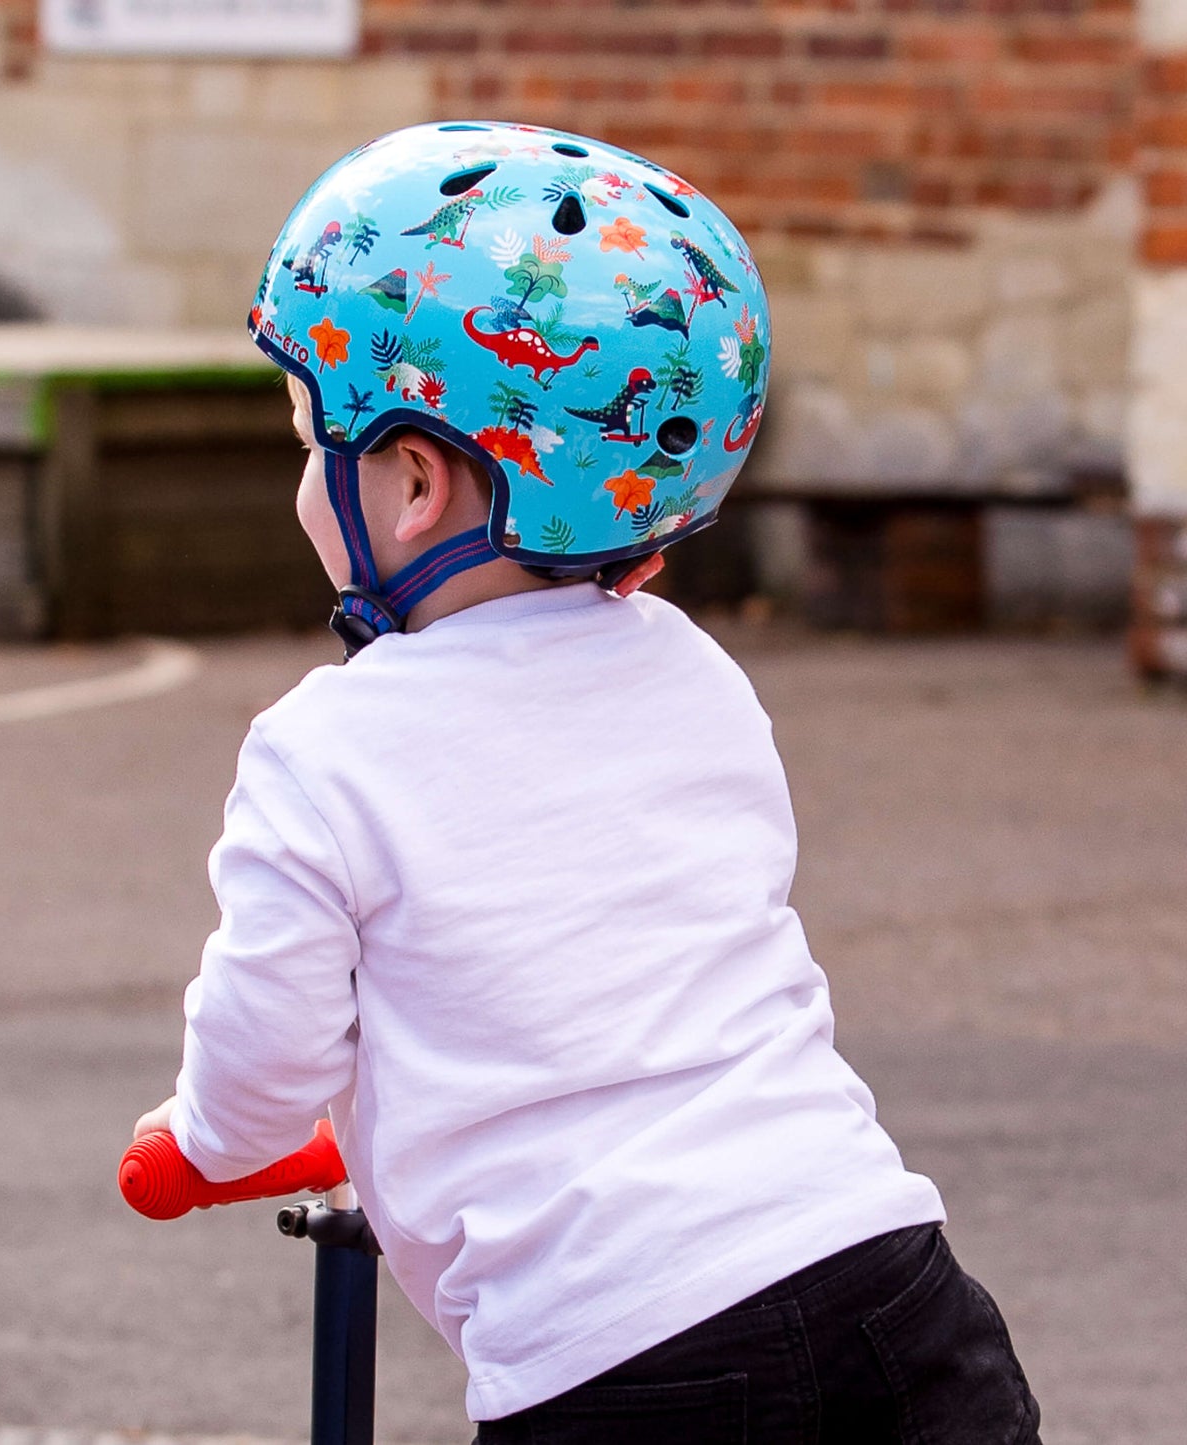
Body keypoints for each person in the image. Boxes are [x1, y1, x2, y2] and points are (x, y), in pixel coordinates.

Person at [133, 122, 1041, 1444]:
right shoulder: (692, 672)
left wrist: (202, 1142)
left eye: (308, 440)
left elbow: (266, 1055)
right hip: (893, 1293)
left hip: (628, 1369)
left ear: (413, 484)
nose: (298, 486)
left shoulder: (326, 747)